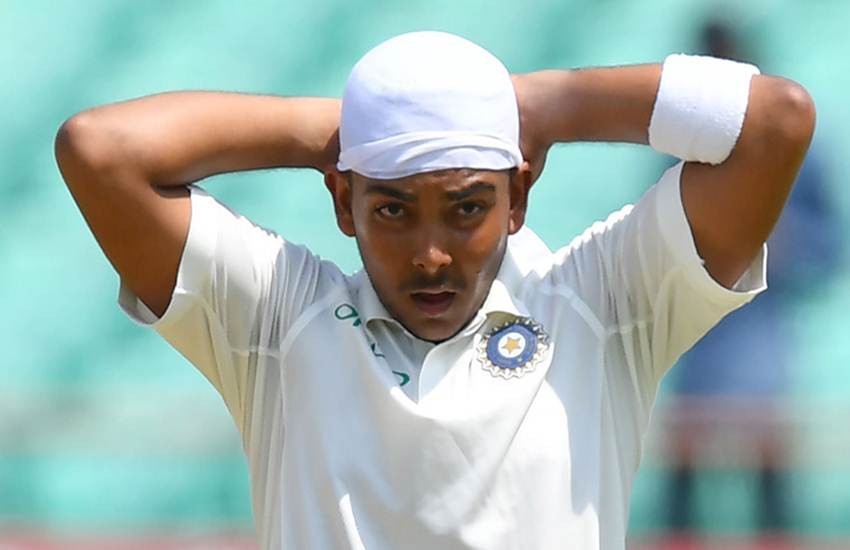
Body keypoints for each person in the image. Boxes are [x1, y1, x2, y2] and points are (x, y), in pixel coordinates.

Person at [55, 31, 814, 550]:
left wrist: (543, 105)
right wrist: (348, 127)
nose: (430, 256)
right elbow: (99, 149)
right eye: (391, 209)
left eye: (467, 208)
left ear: (518, 196)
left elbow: (775, 121)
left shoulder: (602, 304)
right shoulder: (279, 320)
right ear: (341, 200)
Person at [665, 19, 839, 537]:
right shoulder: (680, 152)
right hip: (696, 338)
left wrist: (782, 247)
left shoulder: (797, 151)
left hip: (761, 336)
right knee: (683, 481)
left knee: (769, 481)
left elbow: (830, 247)